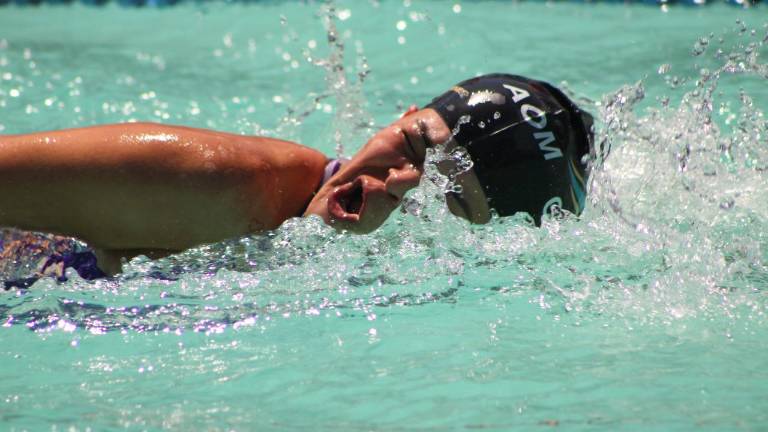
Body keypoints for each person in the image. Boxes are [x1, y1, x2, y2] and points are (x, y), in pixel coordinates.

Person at [0, 74, 593, 281]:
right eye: (414, 144)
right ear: (404, 115)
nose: (395, 183)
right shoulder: (227, 184)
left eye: (452, 198)